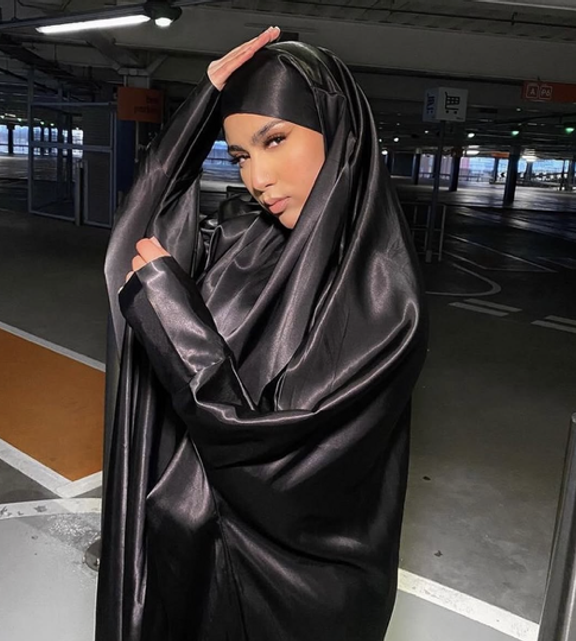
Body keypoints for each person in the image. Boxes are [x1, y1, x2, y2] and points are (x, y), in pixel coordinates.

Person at [97, 27, 428, 641]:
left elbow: (278, 463)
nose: (258, 178)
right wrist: (203, 103)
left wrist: (178, 324)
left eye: (275, 140)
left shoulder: (385, 299)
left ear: (338, 133)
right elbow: (134, 247)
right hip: (200, 556)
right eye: (241, 156)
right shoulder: (245, 242)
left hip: (295, 596)